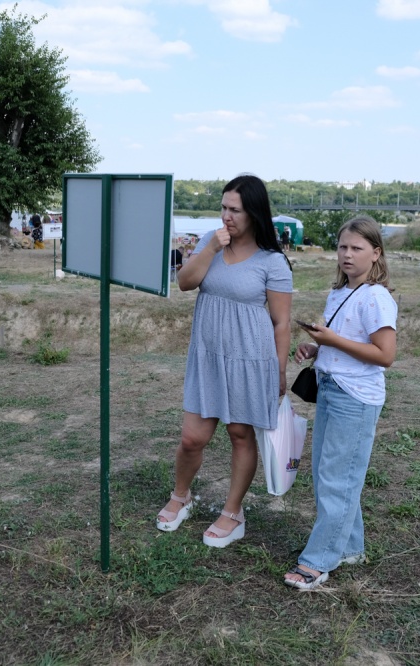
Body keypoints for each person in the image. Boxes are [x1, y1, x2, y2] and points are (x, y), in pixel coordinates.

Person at [155, 174, 293, 548]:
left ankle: (233, 513)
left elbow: (281, 323)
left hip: (251, 360)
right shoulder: (210, 242)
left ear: (254, 213)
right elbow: (184, 282)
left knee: (239, 434)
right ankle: (181, 496)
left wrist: (280, 370)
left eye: (235, 210)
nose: (226, 216)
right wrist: (212, 247)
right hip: (208, 357)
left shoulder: (273, 262)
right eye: (223, 207)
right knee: (192, 438)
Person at [284, 215, 397, 590]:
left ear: (376, 253)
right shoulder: (340, 292)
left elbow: (385, 355)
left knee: (337, 478)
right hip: (330, 388)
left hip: (355, 397)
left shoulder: (376, 297)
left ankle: (318, 560)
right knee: (330, 474)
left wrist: (331, 341)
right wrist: (317, 347)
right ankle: (349, 547)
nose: (347, 254)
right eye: (342, 247)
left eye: (357, 248)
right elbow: (348, 342)